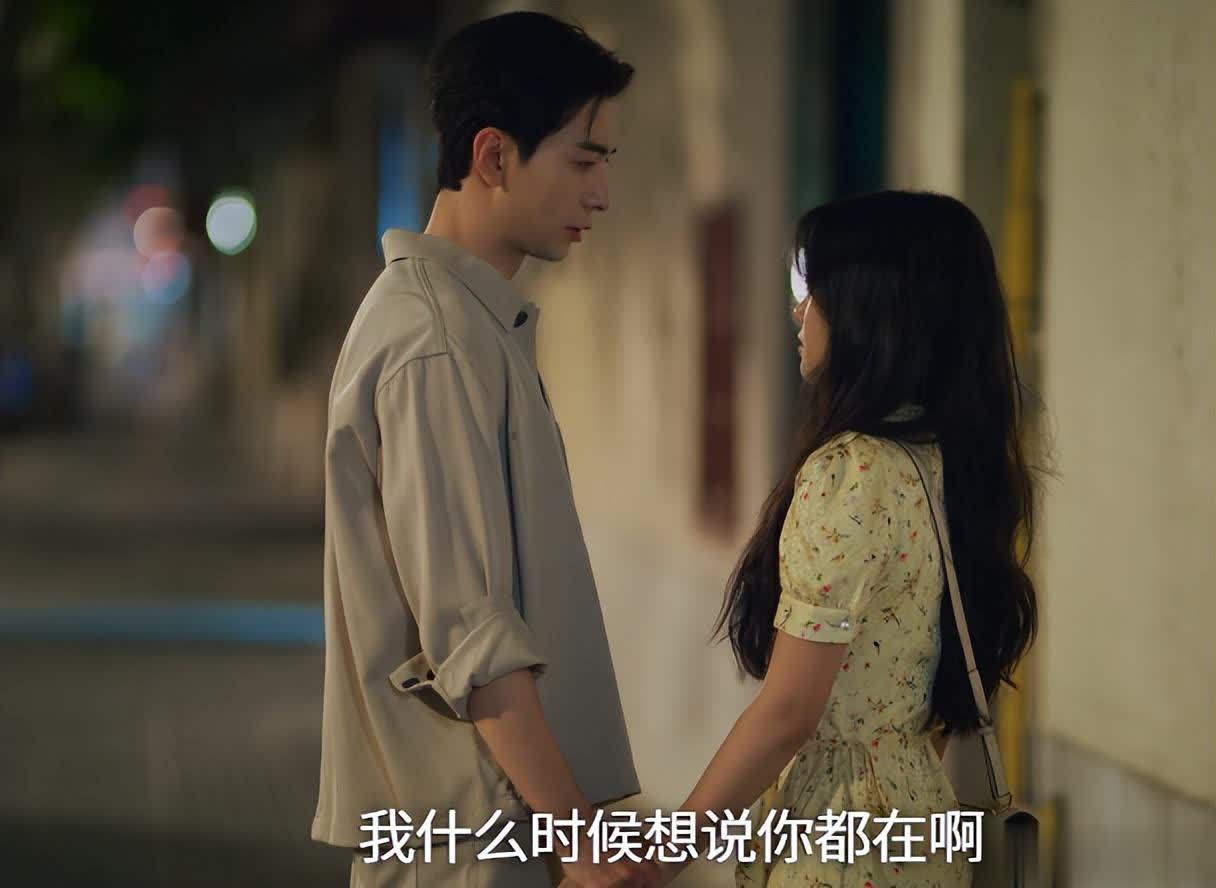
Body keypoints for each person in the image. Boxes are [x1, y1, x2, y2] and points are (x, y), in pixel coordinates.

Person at [312, 12, 656, 888]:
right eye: (583, 161)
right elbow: (472, 634)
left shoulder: (466, 327)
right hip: (466, 843)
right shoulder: (434, 343)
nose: (600, 195)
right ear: (494, 156)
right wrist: (582, 842)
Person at [663, 191, 1039, 887]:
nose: (798, 313)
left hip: (840, 842)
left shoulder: (852, 471)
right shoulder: (941, 459)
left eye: (815, 290)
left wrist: (661, 855)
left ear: (873, 307)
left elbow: (788, 712)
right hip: (920, 825)